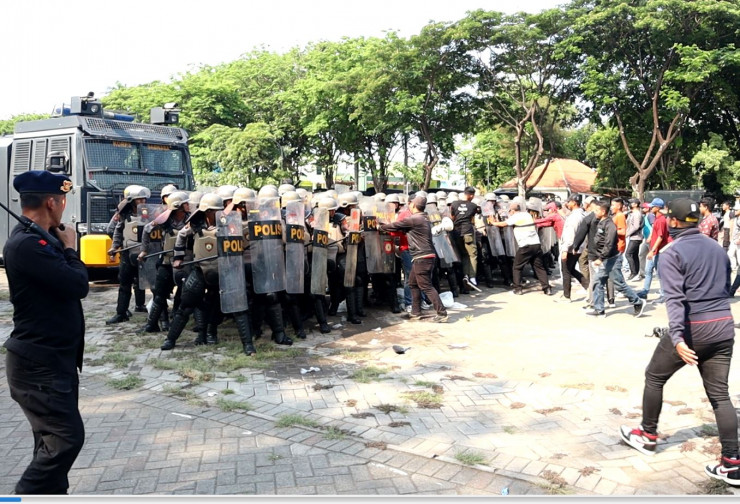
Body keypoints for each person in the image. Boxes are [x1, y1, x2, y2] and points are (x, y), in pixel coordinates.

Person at [619, 198, 740, 487]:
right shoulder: (717, 249)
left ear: (673, 221)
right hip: (723, 327)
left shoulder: (672, 253)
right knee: (720, 396)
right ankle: (732, 463)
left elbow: (674, 300)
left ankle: (647, 436)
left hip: (692, 329)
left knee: (654, 376)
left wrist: (677, 338)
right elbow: (725, 288)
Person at [3, 170, 89, 494]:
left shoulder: (39, 238)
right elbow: (77, 284)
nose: (64, 207)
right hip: (38, 364)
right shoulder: (27, 245)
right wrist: (70, 248)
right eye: (63, 201)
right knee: (66, 438)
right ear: (52, 203)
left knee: (50, 444)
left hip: (54, 361)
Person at [379, 196, 448, 323]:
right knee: (412, 283)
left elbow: (396, 225)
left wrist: (381, 227)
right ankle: (416, 312)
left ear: (413, 206)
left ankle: (442, 312)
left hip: (422, 257)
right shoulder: (424, 218)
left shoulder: (414, 219)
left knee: (426, 286)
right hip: (423, 256)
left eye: (410, 204)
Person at [492, 199, 551, 296]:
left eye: (510, 211)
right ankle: (547, 288)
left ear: (512, 211)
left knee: (517, 267)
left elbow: (503, 224)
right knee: (539, 267)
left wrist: (493, 223)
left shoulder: (516, 217)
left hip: (525, 246)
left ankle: (517, 289)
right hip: (536, 244)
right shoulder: (527, 215)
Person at [636, 198, 669, 303]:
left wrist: (652, 250)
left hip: (658, 251)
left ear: (658, 208)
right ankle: (645, 291)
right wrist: (650, 238)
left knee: (660, 273)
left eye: (653, 206)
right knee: (648, 270)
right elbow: (655, 232)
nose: (650, 208)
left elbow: (660, 237)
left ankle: (664, 295)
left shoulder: (661, 220)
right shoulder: (656, 218)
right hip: (654, 250)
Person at [450, 186, 479, 291]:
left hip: (457, 232)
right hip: (468, 232)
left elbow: (452, 218)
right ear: (471, 195)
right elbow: (472, 218)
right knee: (473, 254)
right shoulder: (473, 206)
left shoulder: (454, 204)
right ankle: (472, 277)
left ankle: (465, 275)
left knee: (463, 254)